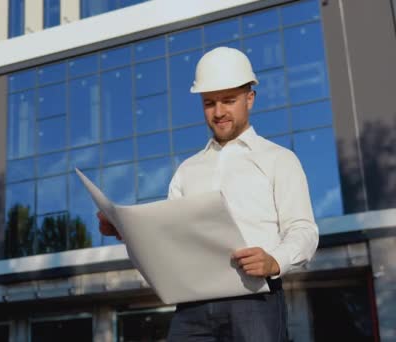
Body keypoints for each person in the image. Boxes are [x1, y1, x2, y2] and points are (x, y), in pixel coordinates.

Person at [97, 46, 319, 341]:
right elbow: (169, 236)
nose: (218, 112)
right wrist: (127, 230)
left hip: (254, 300)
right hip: (193, 307)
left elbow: (303, 230)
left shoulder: (279, 159)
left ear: (249, 98)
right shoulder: (187, 170)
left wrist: (275, 261)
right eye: (209, 103)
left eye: (229, 100)